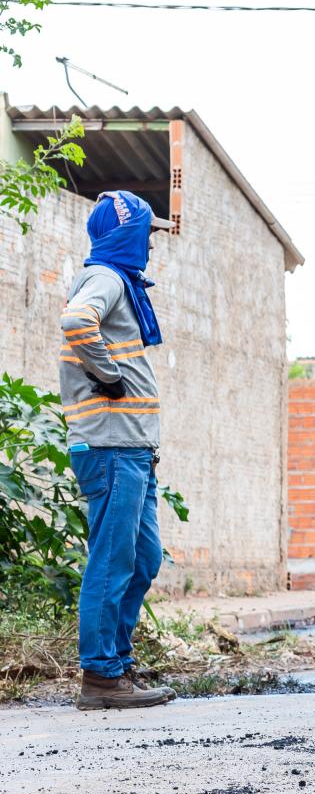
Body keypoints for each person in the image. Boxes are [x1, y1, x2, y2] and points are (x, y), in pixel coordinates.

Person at [58, 191, 176, 709]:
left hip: (131, 447)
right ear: (128, 234)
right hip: (110, 446)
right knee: (112, 559)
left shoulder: (120, 282)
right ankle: (101, 675)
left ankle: (116, 662)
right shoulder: (105, 278)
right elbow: (76, 323)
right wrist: (108, 376)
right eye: (147, 234)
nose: (151, 245)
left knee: (142, 558)